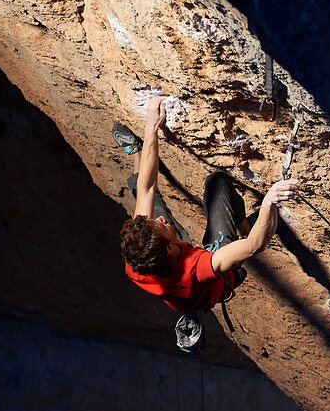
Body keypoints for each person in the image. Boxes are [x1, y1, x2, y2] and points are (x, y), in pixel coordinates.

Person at [116, 96, 298, 343]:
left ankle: (136, 153)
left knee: (142, 194)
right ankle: (245, 224)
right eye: (161, 224)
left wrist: (152, 125)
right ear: (170, 248)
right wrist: (268, 202)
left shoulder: (137, 261)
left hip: (177, 282)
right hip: (214, 282)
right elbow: (255, 246)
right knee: (217, 183)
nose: (159, 218)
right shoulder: (197, 269)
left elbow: (147, 186)